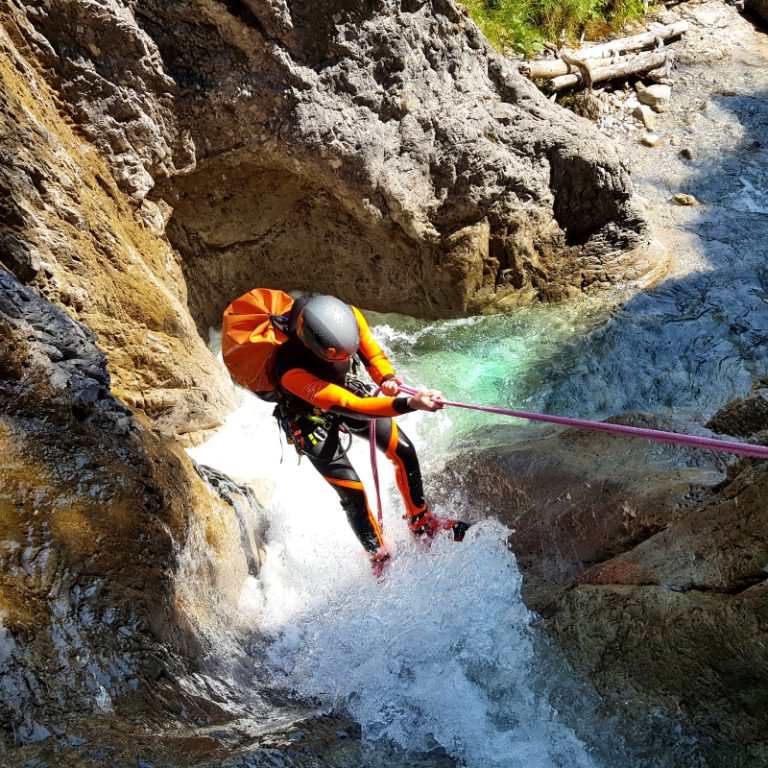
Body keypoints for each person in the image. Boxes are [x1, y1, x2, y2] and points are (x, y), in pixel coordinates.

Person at [272, 294, 468, 576]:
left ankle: (422, 524)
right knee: (352, 492)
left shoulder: (346, 317)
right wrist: (410, 404)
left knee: (404, 450)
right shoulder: (289, 368)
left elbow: (371, 354)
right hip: (308, 419)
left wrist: (386, 378)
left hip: (343, 390)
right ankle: (379, 556)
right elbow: (353, 407)